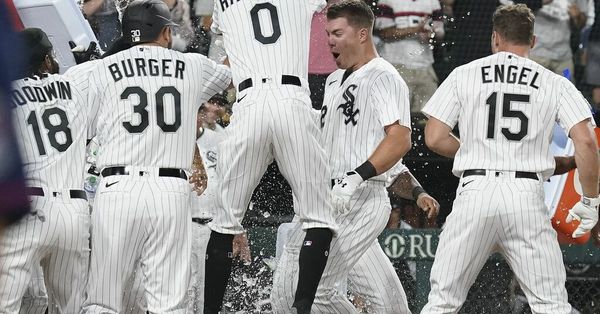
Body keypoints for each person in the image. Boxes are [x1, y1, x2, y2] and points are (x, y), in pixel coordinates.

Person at [421, 4, 599, 313]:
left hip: (474, 192)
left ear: (494, 39)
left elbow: (434, 137)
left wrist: (475, 150)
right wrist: (592, 199)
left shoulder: (465, 74)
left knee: (442, 303)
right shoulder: (554, 82)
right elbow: (585, 142)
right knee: (551, 305)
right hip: (526, 198)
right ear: (533, 41)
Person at [79, 1, 231, 313]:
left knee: (103, 300)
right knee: (169, 303)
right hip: (170, 191)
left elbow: (85, 126)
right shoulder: (192, 66)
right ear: (164, 32)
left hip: (117, 189)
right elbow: (233, 70)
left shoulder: (100, 70)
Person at [271, 0, 413, 312]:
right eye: (327, 33)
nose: (329, 40)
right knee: (386, 303)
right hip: (325, 200)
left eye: (337, 32)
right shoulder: (335, 80)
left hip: (359, 198)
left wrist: (355, 177)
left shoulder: (383, 75)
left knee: (312, 292)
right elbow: (333, 137)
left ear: (362, 35)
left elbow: (400, 139)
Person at [203, 0, 340, 313]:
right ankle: (303, 307)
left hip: (248, 103)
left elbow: (223, 39)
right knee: (318, 216)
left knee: (225, 223)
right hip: (292, 100)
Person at [0, 27, 93, 313]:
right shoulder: (76, 90)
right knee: (70, 307)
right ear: (46, 60)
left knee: (6, 305)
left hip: (29, 207)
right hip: (73, 211)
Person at [375, 0, 445, 114]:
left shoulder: (433, 2)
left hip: (425, 67)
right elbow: (384, 33)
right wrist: (416, 29)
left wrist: (431, 34)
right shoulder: (387, 1)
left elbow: (440, 34)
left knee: (429, 118)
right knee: (395, 117)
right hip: (396, 67)